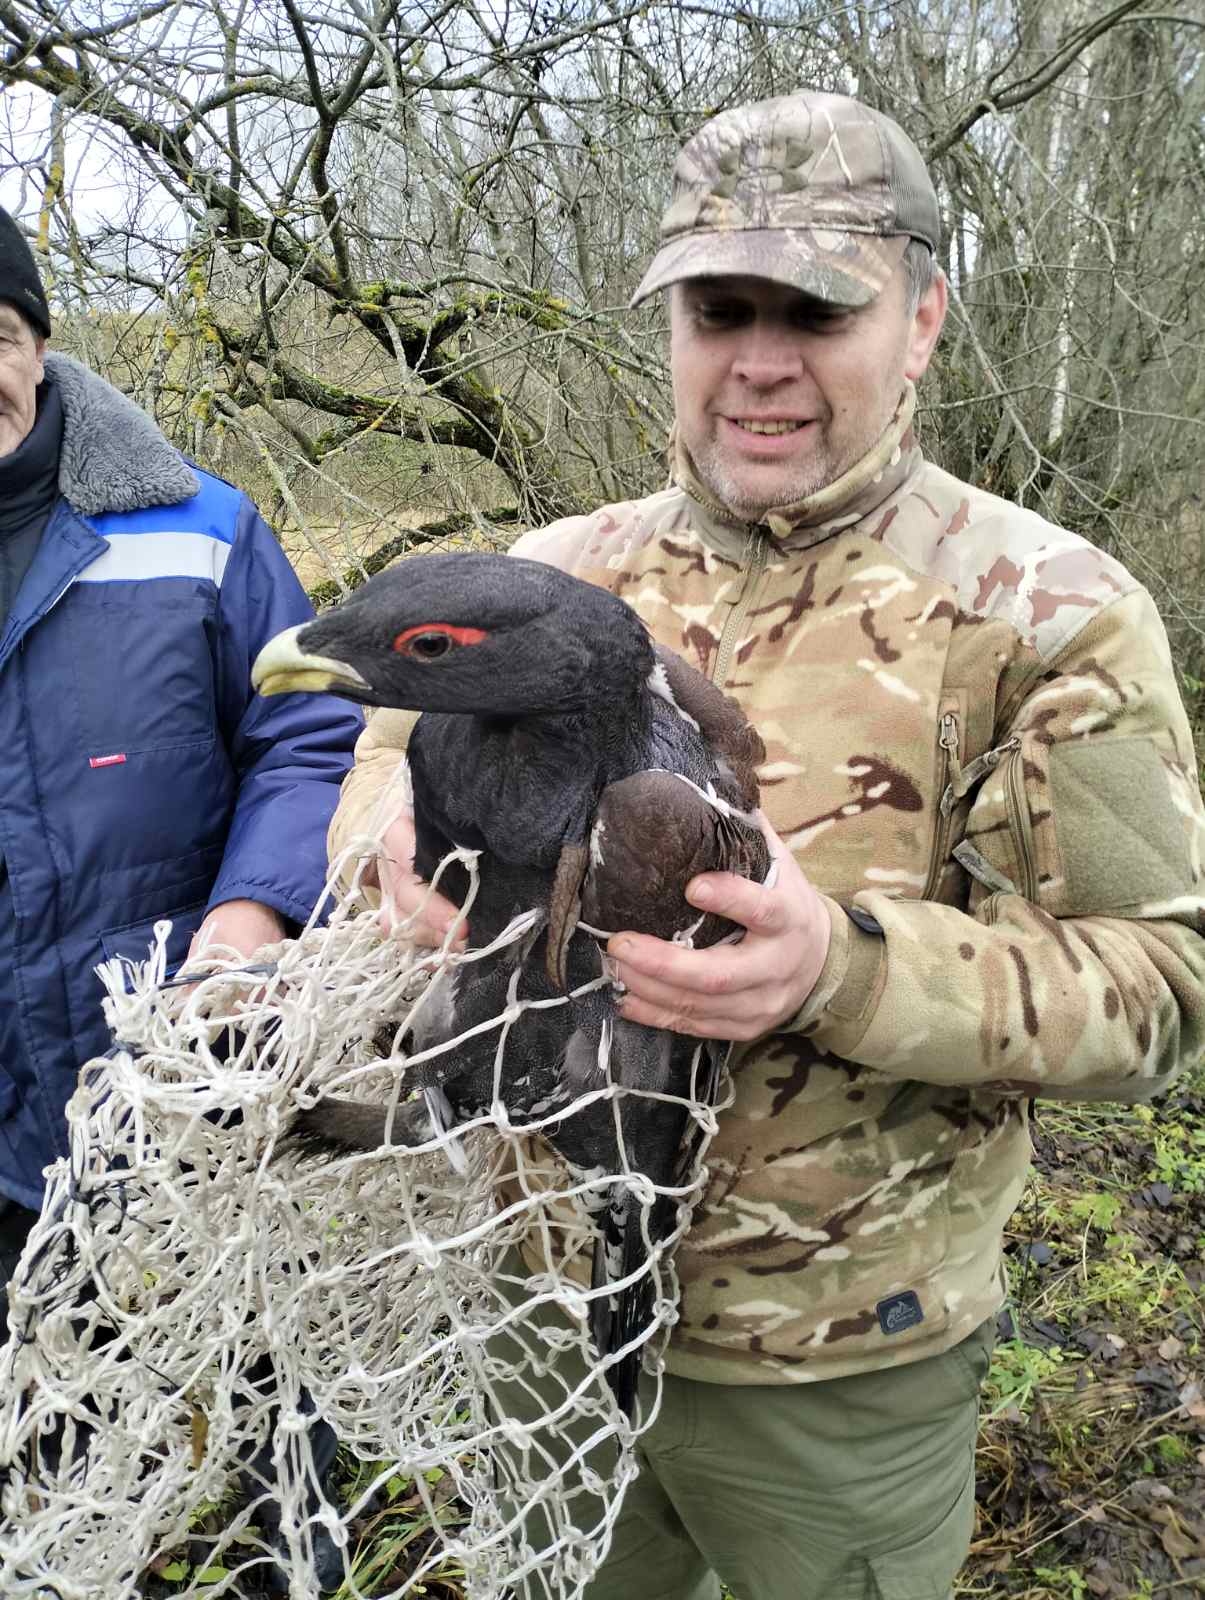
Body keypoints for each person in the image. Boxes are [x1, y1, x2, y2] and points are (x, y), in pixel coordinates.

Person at [323, 91, 1205, 1599]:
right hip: (527, 1306)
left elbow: (1164, 987)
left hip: (829, 1365)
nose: (758, 362)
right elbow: (373, 772)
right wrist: (378, 859)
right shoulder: (544, 576)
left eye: (816, 311)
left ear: (920, 321)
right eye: (715, 310)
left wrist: (835, 971)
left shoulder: (1046, 610)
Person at [0, 209, 361, 1585]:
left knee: (271, 1404)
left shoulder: (196, 530)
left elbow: (315, 733)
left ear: (38, 345)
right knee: (55, 1447)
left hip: (189, 1075)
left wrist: (254, 918)